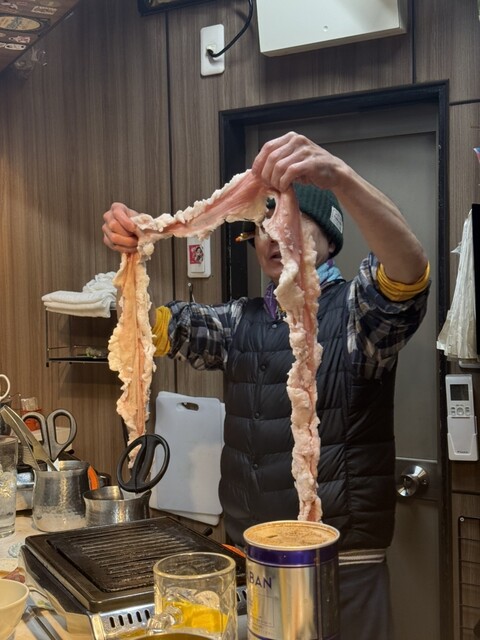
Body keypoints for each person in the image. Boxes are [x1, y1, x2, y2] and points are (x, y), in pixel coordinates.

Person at [102, 132, 430, 640]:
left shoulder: (355, 315)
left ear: (328, 240)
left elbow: (408, 274)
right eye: (261, 226)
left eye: (290, 222)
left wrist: (341, 179)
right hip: (251, 556)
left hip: (340, 561)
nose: (271, 236)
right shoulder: (242, 320)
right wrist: (130, 245)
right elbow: (158, 326)